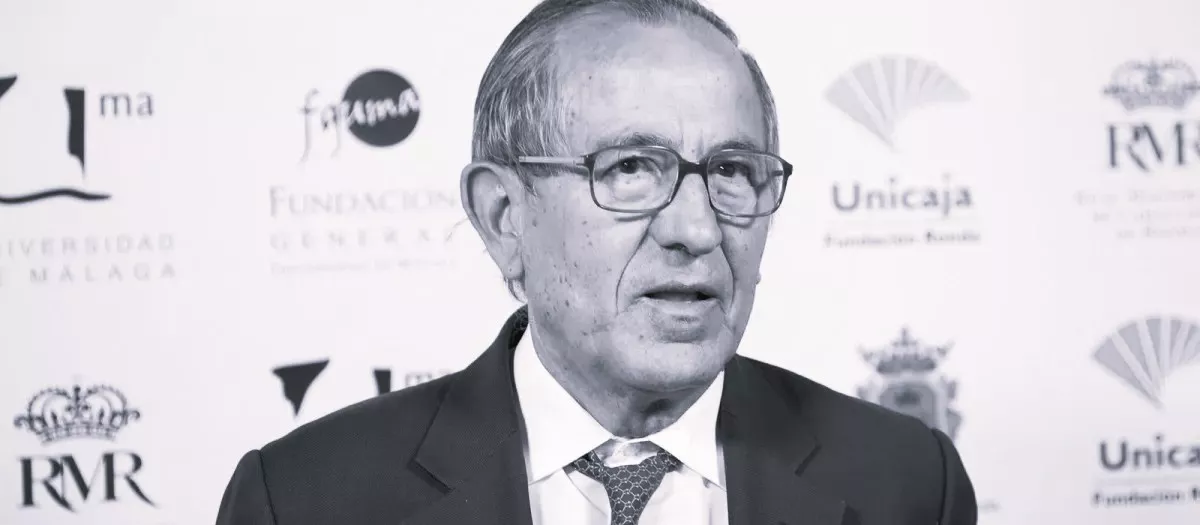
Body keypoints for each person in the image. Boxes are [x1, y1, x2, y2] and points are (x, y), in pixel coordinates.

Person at [215, 0, 977, 524]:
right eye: (630, 169)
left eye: (732, 171)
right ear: (504, 216)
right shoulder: (306, 498)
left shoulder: (909, 482)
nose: (697, 229)